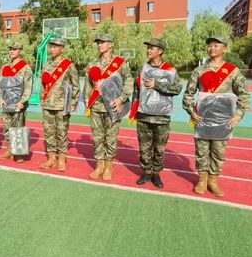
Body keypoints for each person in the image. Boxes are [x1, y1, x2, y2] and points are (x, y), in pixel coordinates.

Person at [182, 36, 250, 197]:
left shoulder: (232, 71)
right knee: (202, 151)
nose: (211, 48)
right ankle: (202, 180)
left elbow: (244, 94)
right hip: (202, 118)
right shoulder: (199, 71)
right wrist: (192, 111)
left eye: (215, 45)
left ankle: (213, 181)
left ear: (224, 48)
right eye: (209, 46)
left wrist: (239, 114)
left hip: (224, 120)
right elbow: (188, 94)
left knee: (219, 152)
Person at [129, 38, 182, 189]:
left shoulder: (169, 69)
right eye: (148, 48)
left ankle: (156, 173)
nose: (148, 50)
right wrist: (134, 109)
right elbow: (136, 90)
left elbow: (177, 89)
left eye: (152, 48)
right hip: (144, 115)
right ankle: (146, 172)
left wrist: (157, 84)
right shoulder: (142, 68)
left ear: (160, 51)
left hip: (162, 117)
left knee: (159, 148)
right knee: (144, 147)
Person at [84, 34, 133, 181]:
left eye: (102, 42)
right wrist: (88, 103)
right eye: (98, 43)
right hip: (96, 106)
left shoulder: (120, 63)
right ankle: (99, 165)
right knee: (97, 137)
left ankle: (108, 166)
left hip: (113, 106)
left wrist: (121, 99)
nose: (99, 45)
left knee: (111, 138)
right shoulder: (92, 64)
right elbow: (88, 86)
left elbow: (129, 82)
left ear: (111, 44)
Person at [39, 37, 80, 172]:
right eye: (51, 46)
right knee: (49, 132)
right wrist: (41, 99)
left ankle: (62, 159)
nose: (52, 49)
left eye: (55, 47)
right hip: (48, 104)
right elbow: (43, 85)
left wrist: (74, 102)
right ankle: (51, 159)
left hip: (62, 105)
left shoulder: (68, 65)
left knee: (62, 132)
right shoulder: (46, 65)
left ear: (62, 49)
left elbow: (75, 85)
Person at [0, 42, 33, 163]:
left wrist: (23, 101)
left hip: (18, 104)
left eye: (14, 49)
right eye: (10, 49)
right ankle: (9, 150)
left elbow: (28, 86)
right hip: (6, 103)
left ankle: (18, 153)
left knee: (18, 128)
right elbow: (0, 84)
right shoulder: (4, 67)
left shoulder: (25, 68)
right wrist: (0, 98)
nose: (12, 51)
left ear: (20, 51)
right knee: (7, 128)